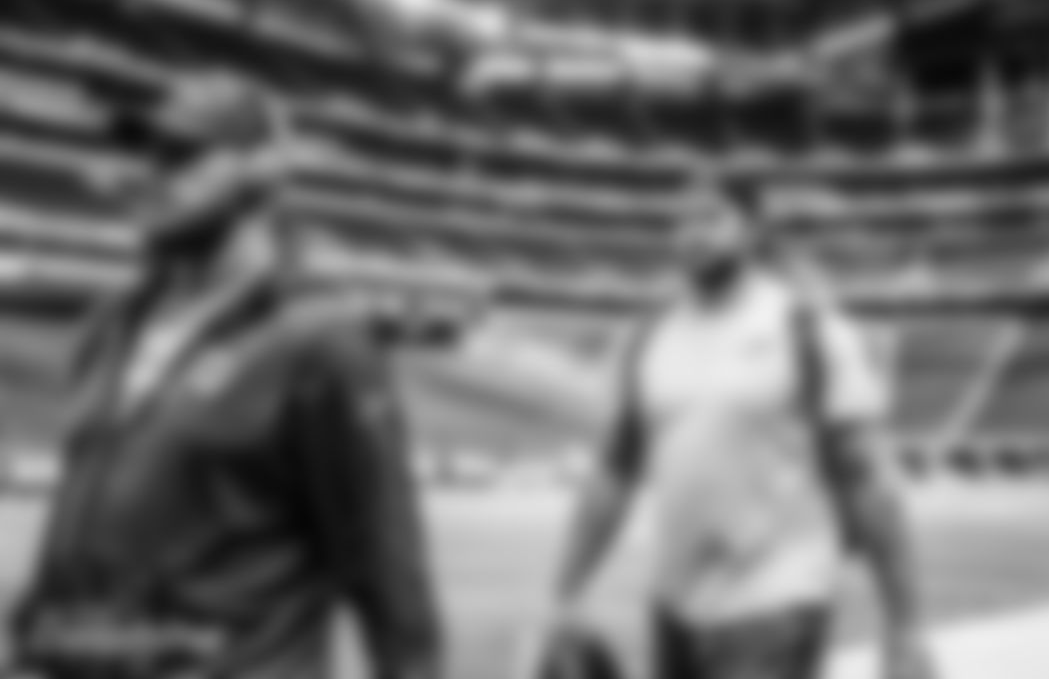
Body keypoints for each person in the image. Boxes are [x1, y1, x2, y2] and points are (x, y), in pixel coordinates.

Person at [7, 76, 444, 679]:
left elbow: (389, 576)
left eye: (179, 155)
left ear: (263, 173)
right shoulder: (110, 325)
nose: (149, 175)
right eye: (143, 153)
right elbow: (74, 535)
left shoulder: (321, 344)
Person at [541, 182, 935, 679]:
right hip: (676, 610)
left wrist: (906, 625)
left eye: (710, 218)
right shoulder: (651, 338)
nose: (693, 233)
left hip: (779, 602)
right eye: (682, 220)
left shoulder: (807, 330)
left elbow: (869, 480)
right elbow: (613, 475)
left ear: (754, 229)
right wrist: (565, 592)